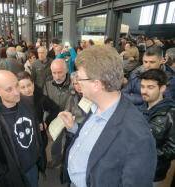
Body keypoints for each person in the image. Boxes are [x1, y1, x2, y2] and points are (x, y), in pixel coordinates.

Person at [59, 46, 157, 187]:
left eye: (80, 78)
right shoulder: (96, 105)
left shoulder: (138, 136)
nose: (77, 83)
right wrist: (74, 128)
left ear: (96, 84)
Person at [0, 70, 43, 187]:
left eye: (17, 85)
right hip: (13, 176)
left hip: (33, 167)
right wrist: (5, 175)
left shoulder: (27, 103)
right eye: (9, 89)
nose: (17, 92)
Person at [139, 69, 175, 186]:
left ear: (162, 88)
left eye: (150, 87)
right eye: (142, 86)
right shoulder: (142, 108)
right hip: (136, 167)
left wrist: (143, 152)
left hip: (153, 172)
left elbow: (172, 149)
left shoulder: (170, 114)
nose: (144, 91)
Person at [43, 59, 72, 168]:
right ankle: (56, 160)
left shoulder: (74, 83)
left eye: (60, 72)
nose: (57, 76)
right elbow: (45, 104)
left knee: (71, 142)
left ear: (66, 70)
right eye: (54, 73)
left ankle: (68, 162)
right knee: (56, 141)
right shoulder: (47, 84)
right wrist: (46, 120)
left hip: (70, 118)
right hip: (56, 119)